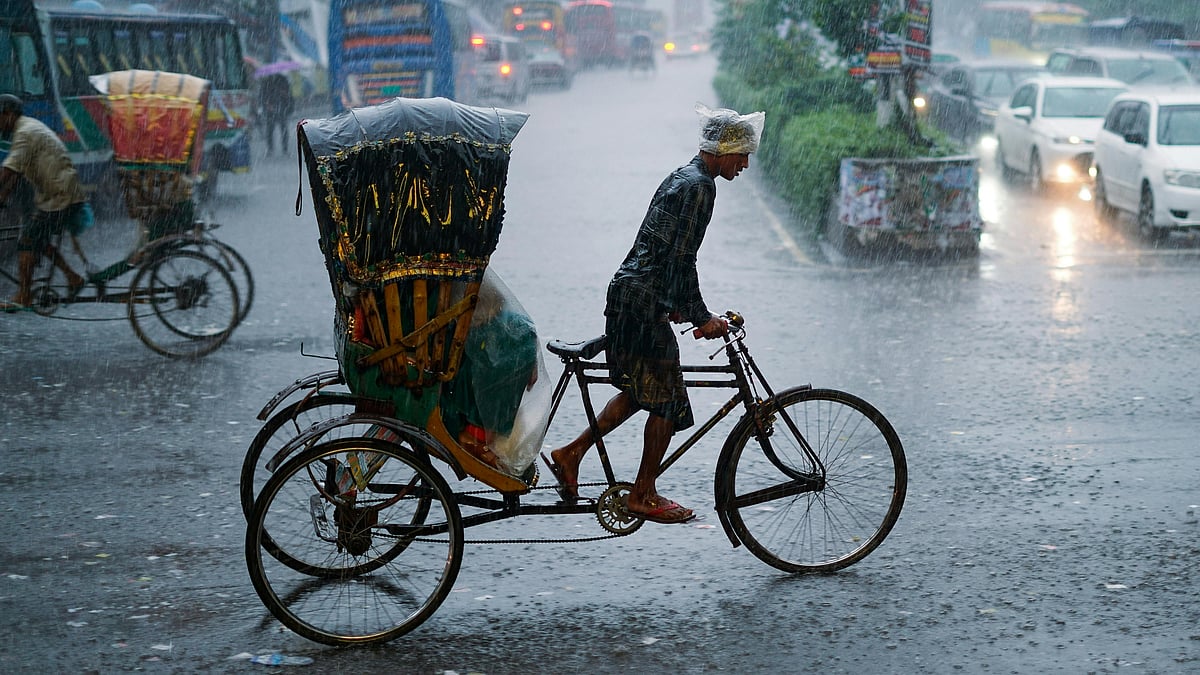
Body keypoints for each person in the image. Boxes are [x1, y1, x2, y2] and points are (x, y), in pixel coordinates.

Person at [542, 104, 765, 524]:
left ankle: (571, 453)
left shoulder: (684, 176)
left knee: (645, 391)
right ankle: (642, 493)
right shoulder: (700, 187)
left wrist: (681, 307)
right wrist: (701, 316)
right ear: (723, 149)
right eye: (742, 154)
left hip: (632, 298)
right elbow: (681, 259)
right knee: (667, 401)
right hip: (641, 305)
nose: (745, 164)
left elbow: (662, 254)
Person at [0, 94, 88, 311]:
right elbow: (16, 173)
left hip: (61, 196)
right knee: (38, 237)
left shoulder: (24, 133)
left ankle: (24, 295)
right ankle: (73, 277)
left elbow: (8, 171)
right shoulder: (26, 128)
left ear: (9, 115)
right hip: (59, 194)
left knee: (27, 241)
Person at [258, 73, 294, 157]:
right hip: (271, 110)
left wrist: (284, 95)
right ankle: (271, 149)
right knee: (270, 130)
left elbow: (289, 96)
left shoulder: (283, 81)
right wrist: (266, 104)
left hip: (281, 109)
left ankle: (284, 148)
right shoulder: (266, 83)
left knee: (283, 129)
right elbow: (262, 96)